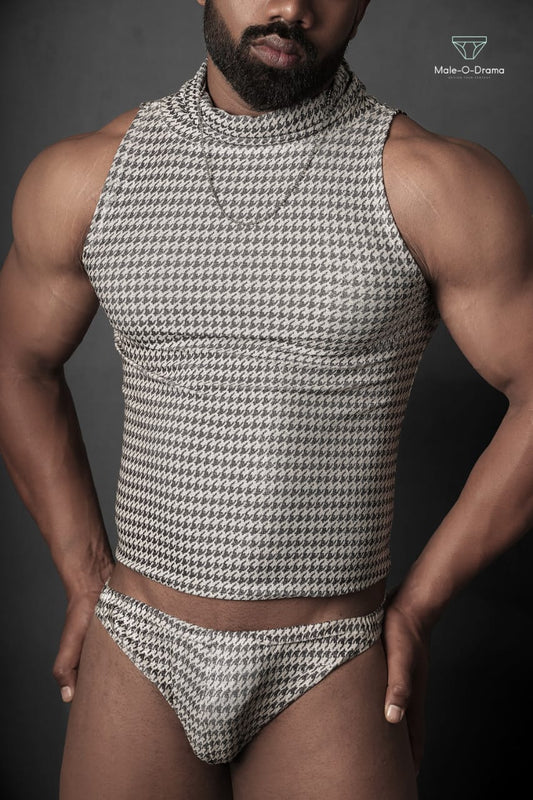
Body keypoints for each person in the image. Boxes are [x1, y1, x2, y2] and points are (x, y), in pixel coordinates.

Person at [0, 0, 531, 797]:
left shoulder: (433, 183)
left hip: (327, 661)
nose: (291, 6)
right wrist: (83, 575)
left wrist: (419, 606)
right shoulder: (89, 175)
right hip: (138, 645)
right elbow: (17, 362)